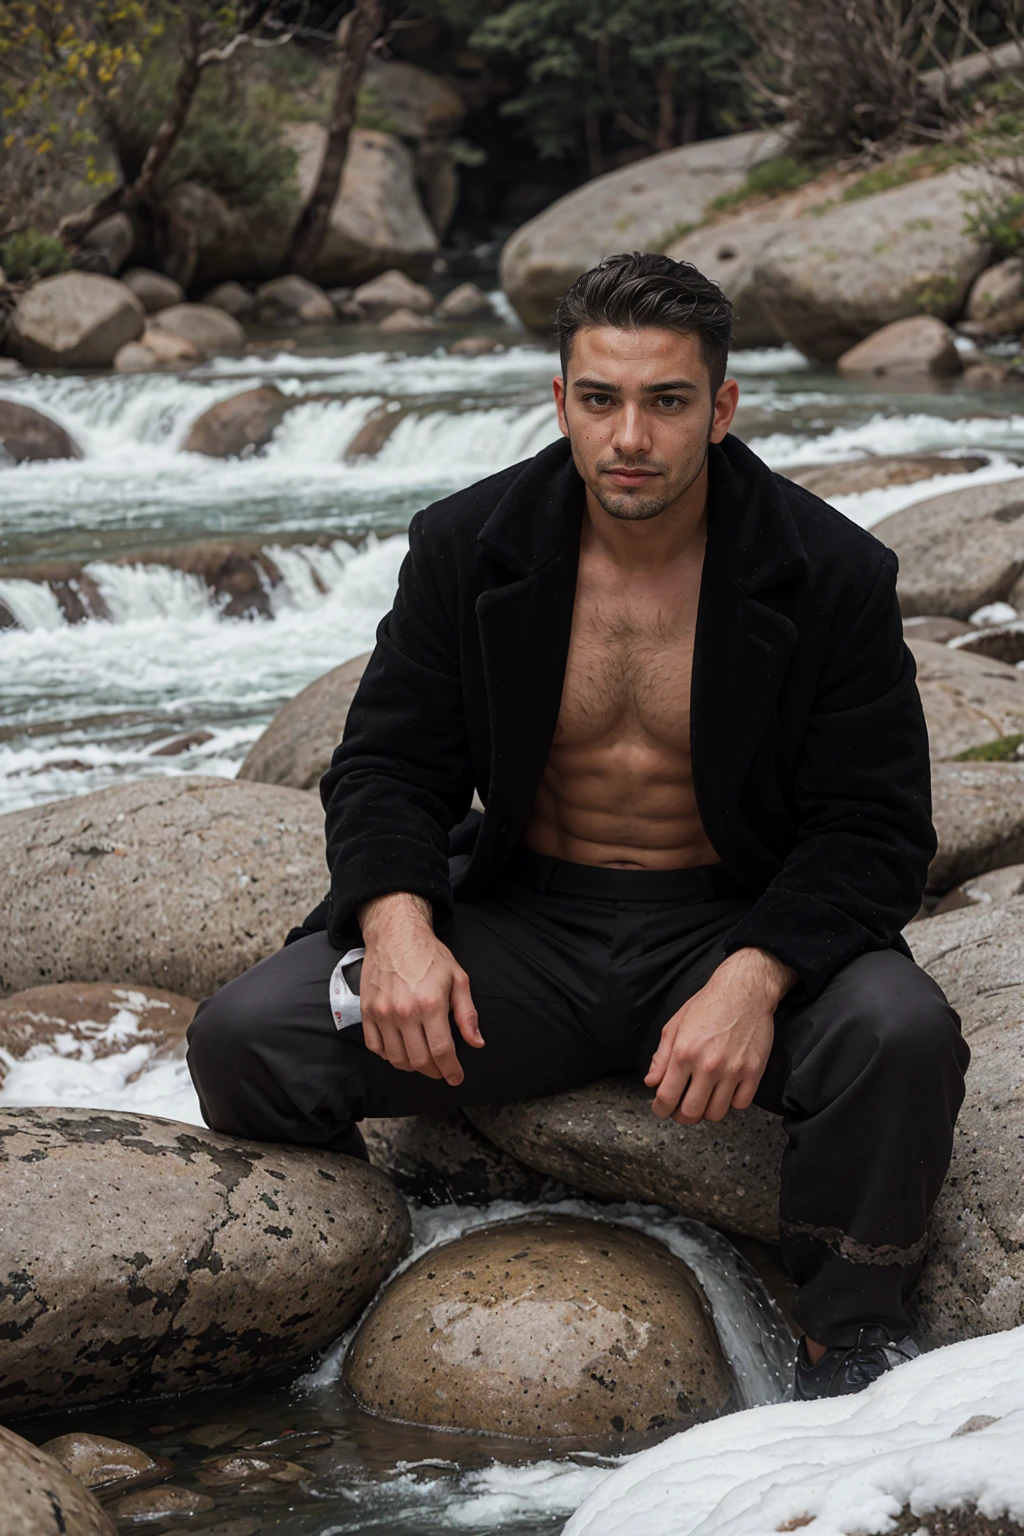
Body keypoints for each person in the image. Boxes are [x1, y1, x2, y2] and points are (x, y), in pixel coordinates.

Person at [187, 252, 969, 1401]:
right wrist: (399, 930)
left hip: (728, 920)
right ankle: (379, 1253)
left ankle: (846, 1335)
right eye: (599, 401)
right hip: (524, 932)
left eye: (665, 402)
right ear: (560, 401)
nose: (630, 438)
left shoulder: (829, 571)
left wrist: (754, 982)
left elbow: (874, 825)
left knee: (899, 1037)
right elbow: (391, 765)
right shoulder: (468, 546)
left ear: (722, 406)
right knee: (245, 1036)